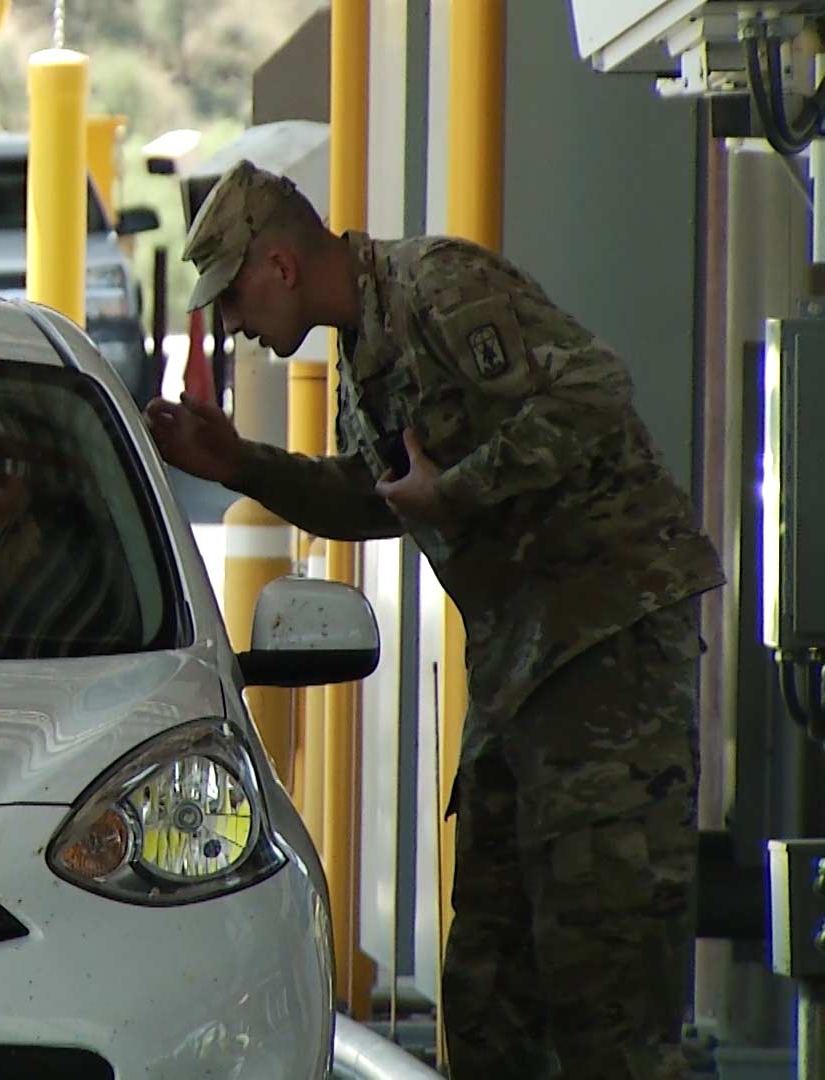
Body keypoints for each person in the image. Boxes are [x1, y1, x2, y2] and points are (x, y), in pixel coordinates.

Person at [145, 160, 724, 1078]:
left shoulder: (435, 285)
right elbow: (378, 498)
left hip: (603, 651)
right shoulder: (361, 352)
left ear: (281, 266)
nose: (234, 325)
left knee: (605, 985)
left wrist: (455, 490)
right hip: (518, 674)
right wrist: (241, 466)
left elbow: (591, 392)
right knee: (491, 988)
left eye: (235, 297)